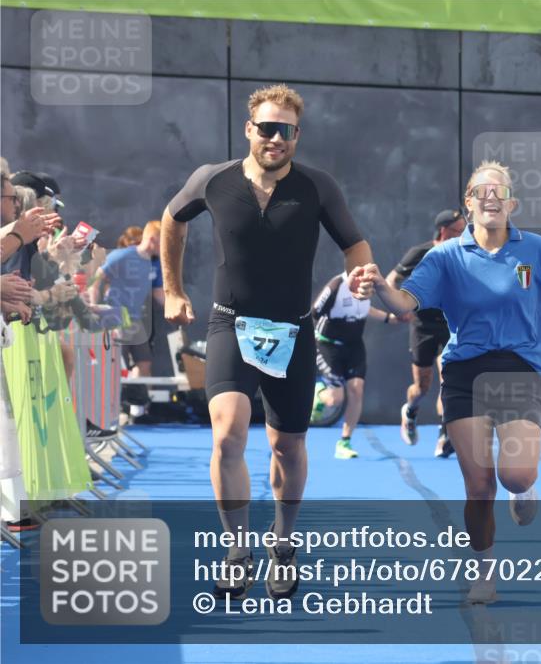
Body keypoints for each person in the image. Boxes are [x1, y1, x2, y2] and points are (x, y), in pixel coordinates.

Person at [350, 160, 541, 604]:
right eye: (480, 190)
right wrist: (377, 288)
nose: (489, 196)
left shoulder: (538, 251)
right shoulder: (445, 256)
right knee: (479, 484)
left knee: (516, 476)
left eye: (498, 191)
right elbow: (405, 300)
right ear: (468, 203)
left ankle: (526, 488)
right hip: (465, 372)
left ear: (512, 204)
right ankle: (484, 571)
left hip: (520, 370)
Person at [160, 84, 372, 602]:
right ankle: (236, 550)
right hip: (230, 324)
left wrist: (361, 275)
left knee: (287, 445)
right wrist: (172, 289)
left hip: (293, 333)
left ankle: (283, 541)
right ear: (249, 129)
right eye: (268, 128)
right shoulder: (212, 180)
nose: (276, 138)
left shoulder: (317, 186)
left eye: (288, 130)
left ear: (297, 136)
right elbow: (171, 220)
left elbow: (354, 244)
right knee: (228, 434)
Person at [387, 209, 466, 457]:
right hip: (422, 327)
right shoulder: (419, 253)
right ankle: (410, 411)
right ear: (444, 231)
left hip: (450, 325)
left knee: (448, 380)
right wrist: (398, 308)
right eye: (458, 231)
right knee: (422, 387)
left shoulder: (463, 253)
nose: (463, 235)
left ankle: (445, 436)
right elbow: (391, 280)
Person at [311, 271, 403, 459]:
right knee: (334, 400)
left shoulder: (369, 284)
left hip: (354, 346)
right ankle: (319, 392)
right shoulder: (337, 285)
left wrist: (388, 318)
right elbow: (314, 311)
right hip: (328, 345)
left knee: (357, 389)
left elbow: (364, 309)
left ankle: (345, 441)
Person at [89, 220, 164, 379]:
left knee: (144, 364)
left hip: (135, 320)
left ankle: (137, 402)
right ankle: (118, 401)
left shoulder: (156, 264)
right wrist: (93, 305)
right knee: (117, 364)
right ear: (152, 239)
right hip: (115, 317)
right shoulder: (122, 256)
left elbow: (159, 293)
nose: (165, 247)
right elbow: (97, 279)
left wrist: (179, 310)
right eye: (163, 242)